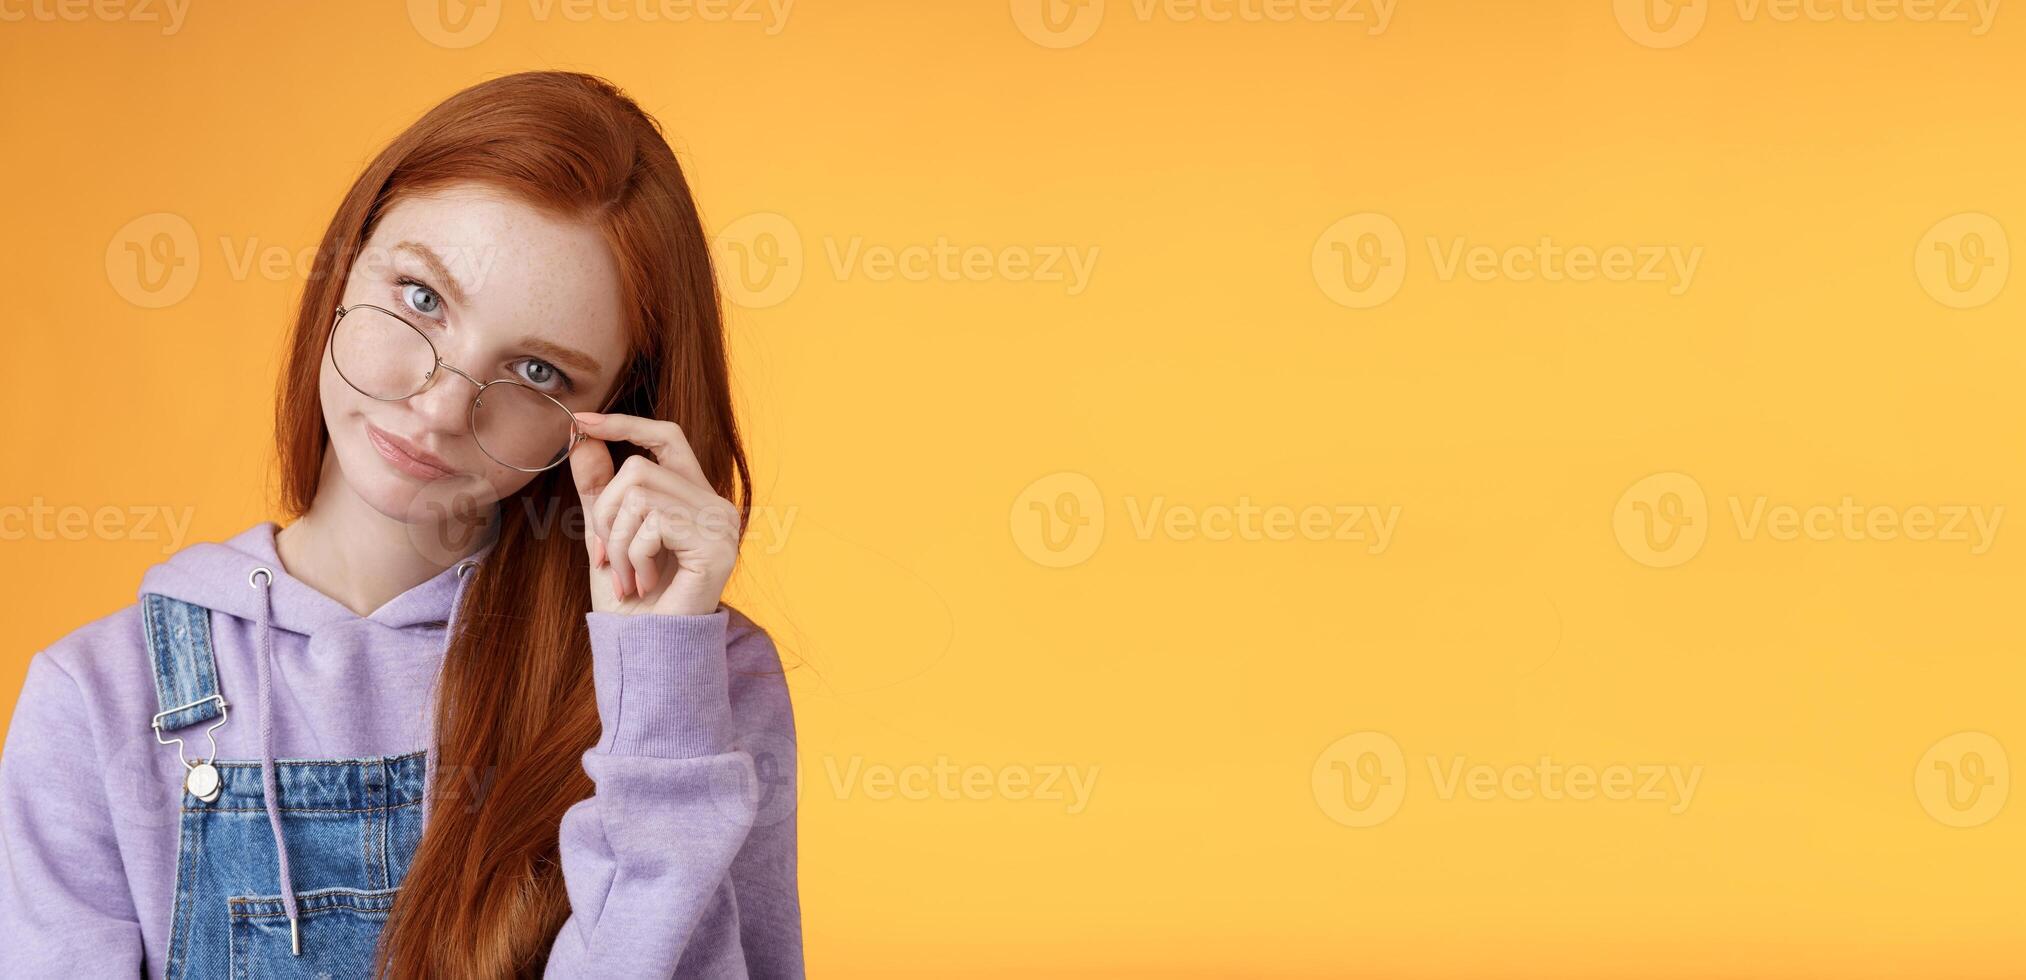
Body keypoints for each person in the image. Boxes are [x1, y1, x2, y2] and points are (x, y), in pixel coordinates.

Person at [0, 70, 802, 978]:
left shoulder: (703, 684)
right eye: (423, 297)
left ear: (616, 413)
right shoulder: (100, 701)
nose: (442, 407)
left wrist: (660, 696)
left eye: (538, 371)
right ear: (345, 261)